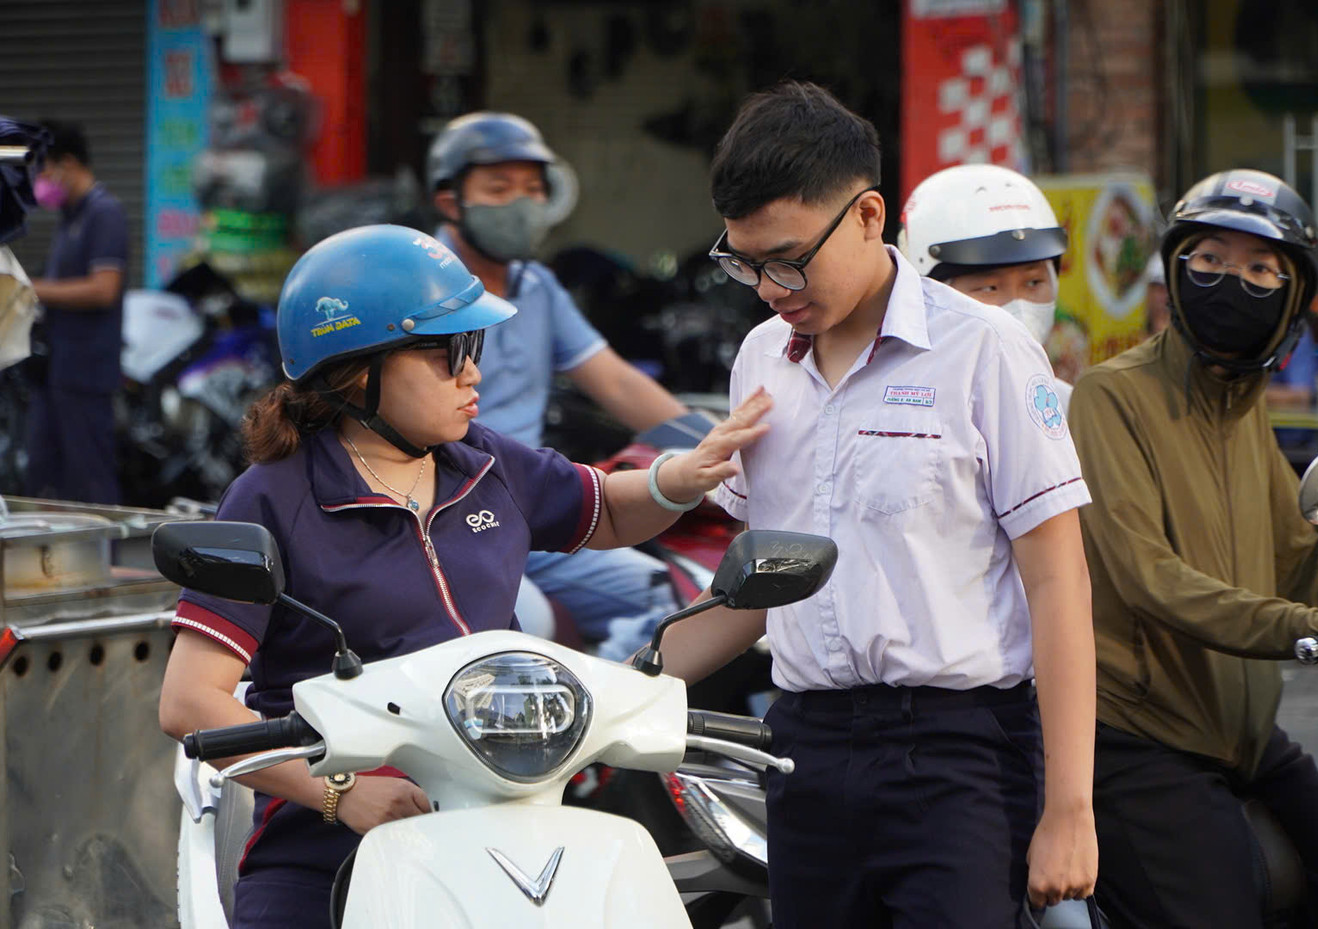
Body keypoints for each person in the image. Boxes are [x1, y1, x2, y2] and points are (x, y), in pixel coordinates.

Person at [157, 224, 769, 929]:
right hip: (324, 846)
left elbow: (605, 512)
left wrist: (681, 477)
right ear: (361, 367)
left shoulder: (482, 462)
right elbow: (190, 701)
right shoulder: (272, 496)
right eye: (452, 352)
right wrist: (343, 793)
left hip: (511, 819)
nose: (473, 373)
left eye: (474, 349)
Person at [658, 81, 1098, 927]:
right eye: (744, 263)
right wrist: (618, 685)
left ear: (867, 215)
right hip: (804, 752)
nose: (768, 287)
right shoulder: (761, 360)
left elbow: (1058, 582)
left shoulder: (985, 349)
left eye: (788, 259)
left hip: (958, 754)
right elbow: (760, 586)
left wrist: (1070, 810)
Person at [1067, 169, 1318, 928]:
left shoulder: (1242, 411)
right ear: (1175, 272)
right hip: (1143, 741)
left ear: (1292, 297)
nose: (1230, 283)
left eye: (1259, 270)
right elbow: (1151, 578)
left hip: (1245, 736)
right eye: (1208, 260)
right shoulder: (1111, 397)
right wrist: (1308, 625)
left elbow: (1302, 558)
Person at [426, 111, 695, 659]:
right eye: (499, 189)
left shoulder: (538, 286)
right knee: (529, 635)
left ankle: (603, 715)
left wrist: (714, 445)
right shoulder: (419, 284)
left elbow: (617, 382)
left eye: (532, 188)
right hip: (447, 519)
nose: (522, 204)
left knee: (681, 599)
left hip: (532, 505)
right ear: (451, 202)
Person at [899, 163, 1073, 408]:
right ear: (926, 292)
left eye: (1033, 283)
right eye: (989, 288)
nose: (1018, 308)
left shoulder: (1072, 411)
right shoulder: (901, 411)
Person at [26, 120, 128, 503]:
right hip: (55, 370)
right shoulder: (69, 218)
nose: (40, 179)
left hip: (87, 373)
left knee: (89, 479)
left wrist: (30, 288)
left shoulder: (104, 213)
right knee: (44, 475)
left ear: (67, 163)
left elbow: (104, 289)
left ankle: (107, 564)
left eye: (44, 168)